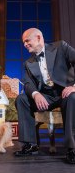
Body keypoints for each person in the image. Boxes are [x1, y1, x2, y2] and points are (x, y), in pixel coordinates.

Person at [14, 28, 75, 164]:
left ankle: (72, 148)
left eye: (27, 40)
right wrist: (36, 94)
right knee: (22, 99)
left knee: (72, 98)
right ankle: (30, 145)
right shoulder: (28, 63)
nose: (25, 44)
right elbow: (28, 83)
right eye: (23, 42)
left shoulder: (61, 47)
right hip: (46, 96)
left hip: (65, 92)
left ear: (38, 37)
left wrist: (73, 87)